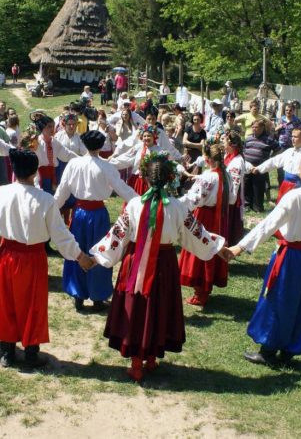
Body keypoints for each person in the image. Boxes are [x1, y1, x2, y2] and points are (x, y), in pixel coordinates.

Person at [90, 152, 226, 381]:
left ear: (146, 177)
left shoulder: (134, 205)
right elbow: (196, 233)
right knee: (159, 306)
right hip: (164, 265)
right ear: (171, 177)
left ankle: (136, 362)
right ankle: (151, 358)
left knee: (137, 307)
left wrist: (96, 256)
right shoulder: (179, 207)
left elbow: (118, 235)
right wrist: (218, 247)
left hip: (135, 263)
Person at [0, 148, 94, 367]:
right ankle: (31, 352)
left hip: (7, 257)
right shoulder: (45, 200)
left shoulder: (0, 193)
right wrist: (80, 256)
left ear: (13, 170)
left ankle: (8, 351)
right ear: (34, 173)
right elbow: (61, 236)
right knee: (32, 303)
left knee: (6, 301)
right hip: (32, 258)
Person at [224, 152, 301, 365]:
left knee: (279, 299)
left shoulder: (295, 196)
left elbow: (268, 224)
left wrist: (240, 247)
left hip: (290, 257)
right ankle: (290, 349)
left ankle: (268, 350)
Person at [55, 131, 137, 312]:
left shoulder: (74, 164)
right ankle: (98, 296)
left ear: (84, 144)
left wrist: (52, 208)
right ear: (100, 147)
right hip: (98, 215)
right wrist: (141, 201)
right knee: (101, 251)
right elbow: (123, 189)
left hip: (79, 214)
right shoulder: (107, 167)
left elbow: (63, 190)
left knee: (78, 250)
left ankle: (78, 294)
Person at [178, 144, 230, 307]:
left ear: (207, 159)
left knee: (200, 248)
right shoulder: (225, 175)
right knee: (212, 246)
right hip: (219, 215)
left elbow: (194, 199)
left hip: (204, 215)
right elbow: (233, 197)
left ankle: (201, 291)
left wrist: (176, 204)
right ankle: (206, 286)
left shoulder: (207, 176)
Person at [254, 126, 301, 202]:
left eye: (295, 137)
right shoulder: (289, 151)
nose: (292, 139)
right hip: (285, 185)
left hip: (298, 187)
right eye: (292, 136)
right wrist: (259, 168)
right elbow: (274, 161)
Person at [110, 124, 165, 196]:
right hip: (137, 180)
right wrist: (109, 162)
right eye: (144, 136)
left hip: (152, 181)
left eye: (149, 136)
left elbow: (165, 165)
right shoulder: (138, 147)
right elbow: (126, 158)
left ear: (154, 137)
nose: (146, 138)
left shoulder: (159, 150)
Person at [243, 120, 278, 212]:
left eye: (256, 127)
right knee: (246, 186)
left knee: (258, 187)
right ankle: (246, 205)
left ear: (262, 128)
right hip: (247, 166)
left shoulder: (269, 139)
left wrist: (270, 158)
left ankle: (257, 206)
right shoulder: (248, 138)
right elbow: (244, 149)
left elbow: (278, 149)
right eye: (253, 127)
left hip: (260, 167)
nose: (254, 129)